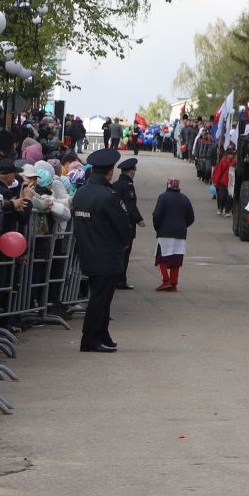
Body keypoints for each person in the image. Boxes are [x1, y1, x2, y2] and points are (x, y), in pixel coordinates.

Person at [72, 149, 135, 353]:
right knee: (100, 300)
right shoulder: (109, 195)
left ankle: (102, 334)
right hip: (107, 253)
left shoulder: (81, 193)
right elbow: (123, 225)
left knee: (101, 298)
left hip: (87, 251)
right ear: (109, 172)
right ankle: (90, 339)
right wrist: (125, 242)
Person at [150, 176, 194, 291]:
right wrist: (183, 226)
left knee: (161, 258)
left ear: (167, 185)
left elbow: (157, 215)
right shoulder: (185, 199)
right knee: (176, 258)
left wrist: (157, 227)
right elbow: (191, 218)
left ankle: (166, 280)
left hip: (165, 232)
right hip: (180, 234)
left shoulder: (163, 197)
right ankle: (173, 283)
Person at [112, 156, 144, 288]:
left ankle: (114, 279)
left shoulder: (114, 185)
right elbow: (130, 206)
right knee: (124, 255)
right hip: (126, 225)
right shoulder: (128, 186)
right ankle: (121, 281)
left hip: (115, 224)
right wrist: (139, 220)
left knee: (115, 253)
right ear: (131, 171)